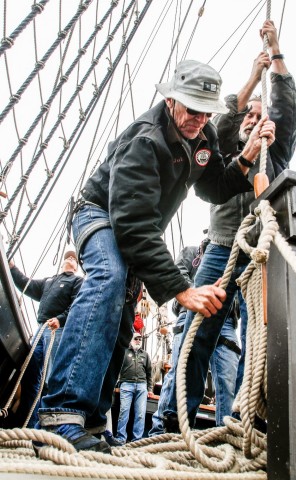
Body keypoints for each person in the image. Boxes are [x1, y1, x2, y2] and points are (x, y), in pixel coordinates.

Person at [36, 58, 275, 453]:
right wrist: (182, 290)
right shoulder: (145, 140)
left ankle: (93, 420)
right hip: (98, 214)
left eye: (206, 112)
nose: (199, 119)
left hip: (131, 225)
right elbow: (131, 225)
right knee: (109, 279)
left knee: (123, 313)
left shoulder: (203, 138)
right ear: (170, 101)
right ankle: (61, 412)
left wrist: (247, 154)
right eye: (191, 109)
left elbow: (214, 187)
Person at [162, 20, 296, 430]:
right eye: (250, 114)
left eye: (261, 115)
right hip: (223, 245)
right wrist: (252, 77)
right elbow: (224, 118)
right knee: (199, 330)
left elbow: (287, 109)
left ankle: (247, 419)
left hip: (264, 248)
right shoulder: (224, 144)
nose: (254, 119)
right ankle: (174, 417)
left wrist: (275, 51)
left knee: (262, 334)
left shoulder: (277, 150)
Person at [8, 251, 83, 428]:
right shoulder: (50, 281)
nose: (70, 259)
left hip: (56, 330)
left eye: (73, 258)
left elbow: (77, 305)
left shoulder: (77, 281)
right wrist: (12, 268)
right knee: (31, 376)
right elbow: (26, 283)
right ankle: (27, 424)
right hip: (40, 329)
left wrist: (60, 319)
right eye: (68, 257)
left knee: (51, 378)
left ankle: (46, 427)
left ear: (76, 266)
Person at [149, 241, 206, 436]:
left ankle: (184, 430)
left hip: (213, 318)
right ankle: (160, 427)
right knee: (177, 370)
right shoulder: (192, 253)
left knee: (198, 370)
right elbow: (179, 270)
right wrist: (193, 295)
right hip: (187, 313)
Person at [112, 332, 153, 445]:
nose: (138, 340)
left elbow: (149, 373)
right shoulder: (124, 353)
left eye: (140, 339)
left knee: (140, 414)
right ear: (131, 340)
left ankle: (137, 440)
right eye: (136, 339)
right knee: (124, 412)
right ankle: (120, 438)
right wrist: (116, 384)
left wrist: (150, 389)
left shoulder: (145, 355)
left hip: (141, 386)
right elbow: (117, 369)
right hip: (126, 385)